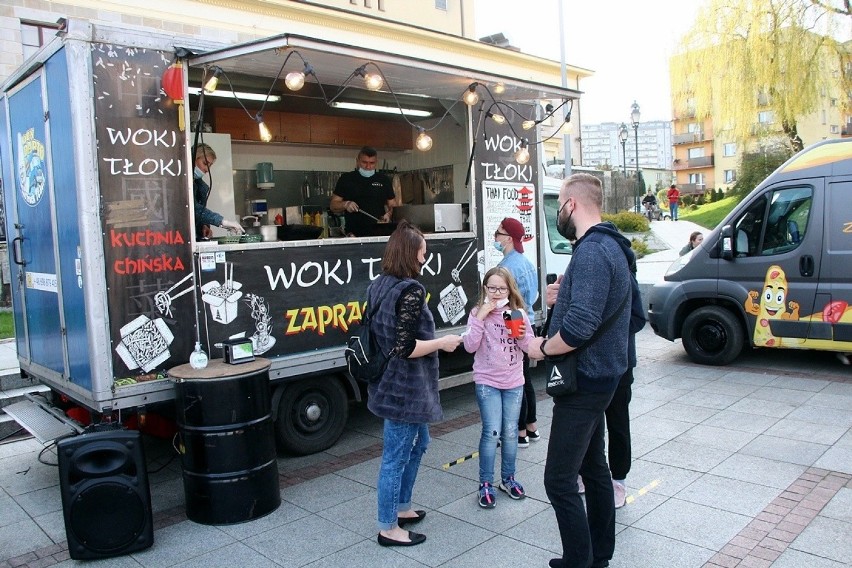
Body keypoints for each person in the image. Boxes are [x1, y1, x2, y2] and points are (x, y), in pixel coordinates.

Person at [528, 173, 631, 568]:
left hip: (585, 383)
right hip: (605, 376)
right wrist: (561, 296)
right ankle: (598, 556)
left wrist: (540, 347)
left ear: (571, 204)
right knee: (594, 468)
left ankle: (578, 561)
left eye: (559, 207)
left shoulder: (590, 252)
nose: (559, 214)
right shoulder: (613, 245)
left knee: (558, 479)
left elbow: (579, 328)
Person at [366, 220, 463, 547]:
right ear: (410, 253)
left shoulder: (379, 283)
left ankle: (403, 507)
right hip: (404, 390)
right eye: (422, 252)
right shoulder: (410, 290)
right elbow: (405, 348)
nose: (425, 258)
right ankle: (388, 527)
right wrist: (442, 342)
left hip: (391, 385)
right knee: (394, 457)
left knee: (419, 444)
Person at [463, 266, 532, 509]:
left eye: (501, 288)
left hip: (513, 380)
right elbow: (470, 346)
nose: (495, 293)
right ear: (484, 288)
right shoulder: (476, 313)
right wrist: (480, 317)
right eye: (491, 287)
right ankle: (485, 483)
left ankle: (508, 479)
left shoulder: (517, 314)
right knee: (491, 431)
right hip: (487, 380)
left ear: (509, 289)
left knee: (511, 431)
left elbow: (528, 346)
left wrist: (523, 334)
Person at [494, 217, 541, 447]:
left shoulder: (506, 267)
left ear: (508, 239)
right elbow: (533, 297)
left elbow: (502, 302)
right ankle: (531, 426)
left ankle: (520, 432)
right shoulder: (526, 262)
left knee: (515, 381)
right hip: (527, 321)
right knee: (525, 378)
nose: (496, 237)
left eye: (499, 232)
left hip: (512, 323)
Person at [606, 249, 646, 510]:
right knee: (591, 425)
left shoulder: (625, 277)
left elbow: (638, 318)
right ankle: (591, 476)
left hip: (619, 364)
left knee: (618, 423)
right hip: (592, 365)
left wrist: (608, 330)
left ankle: (618, 480)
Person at [330, 146, 396, 237]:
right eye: (364, 162)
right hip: (354, 234)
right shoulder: (346, 179)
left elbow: (393, 205)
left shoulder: (383, 180)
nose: (368, 166)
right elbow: (333, 205)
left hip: (379, 233)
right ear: (357, 161)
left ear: (376, 162)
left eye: (372, 163)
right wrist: (346, 204)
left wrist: (389, 214)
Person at [192, 144, 243, 239]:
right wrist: (223, 222)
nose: (207, 169)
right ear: (192, 158)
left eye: (210, 166)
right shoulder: (181, 184)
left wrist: (204, 226)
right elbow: (194, 208)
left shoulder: (201, 188)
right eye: (205, 163)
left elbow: (199, 213)